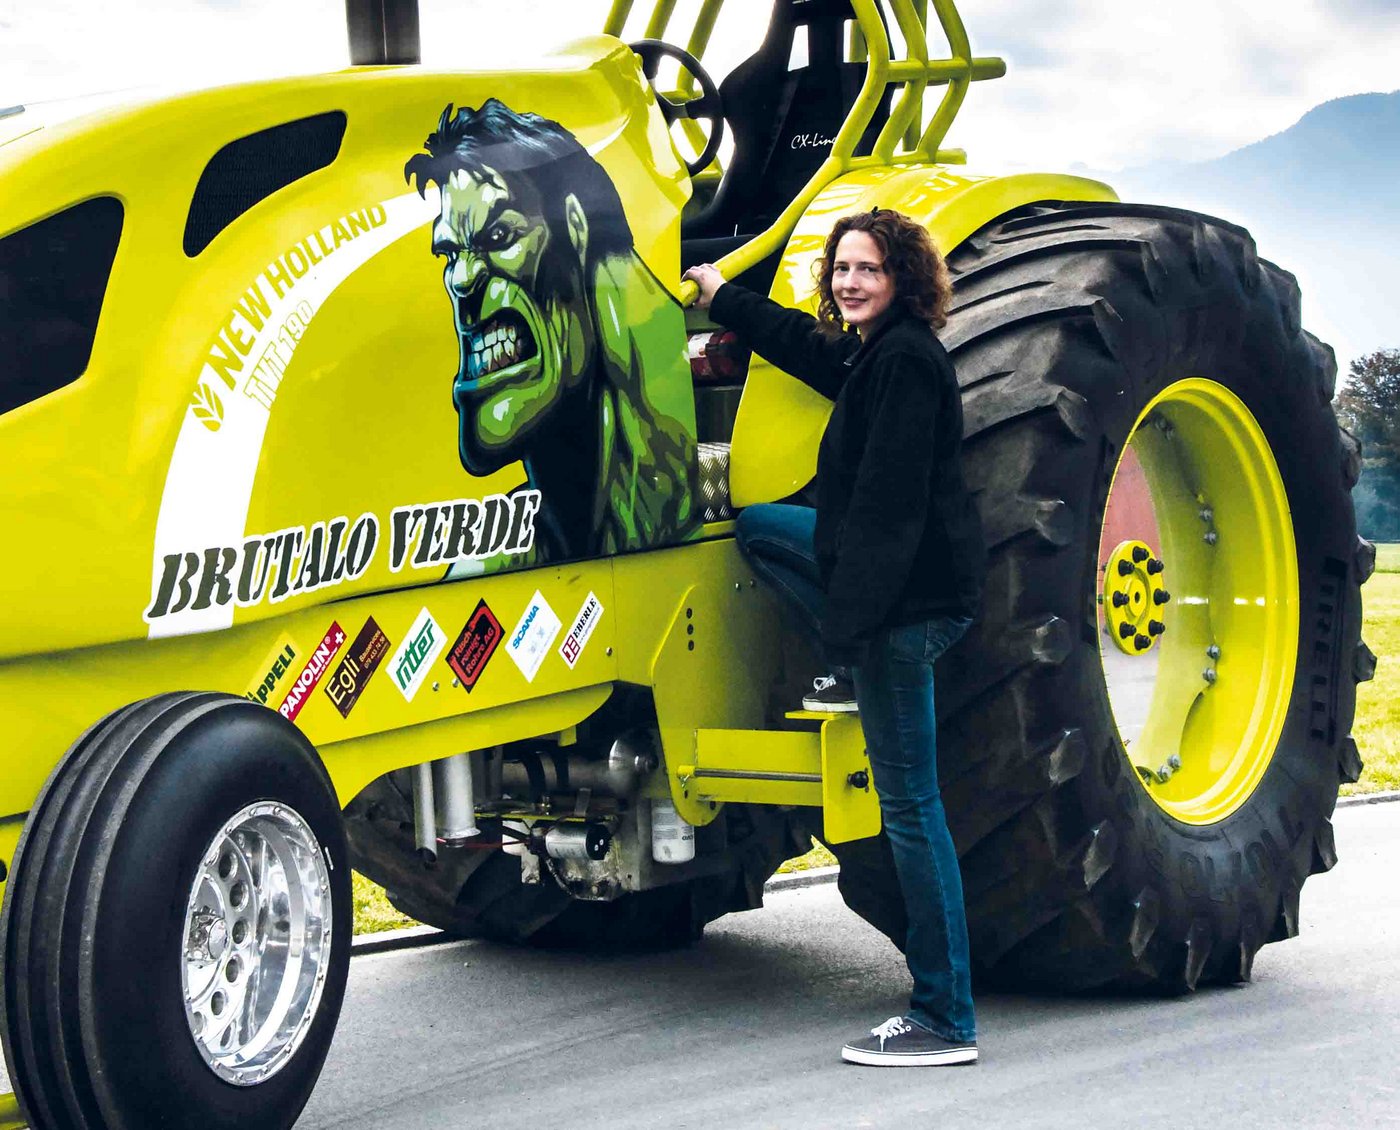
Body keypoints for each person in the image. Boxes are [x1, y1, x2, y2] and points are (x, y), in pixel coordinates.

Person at [682, 207, 985, 1067]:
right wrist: (725, 296)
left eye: (870, 270)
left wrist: (851, 639)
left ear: (905, 281)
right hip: (898, 598)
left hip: (904, 612)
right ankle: (946, 1007)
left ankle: (945, 1017)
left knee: (910, 810)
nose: (851, 282)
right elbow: (809, 350)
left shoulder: (908, 368)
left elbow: (889, 518)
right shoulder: (876, 353)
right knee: (763, 526)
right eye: (843, 268)